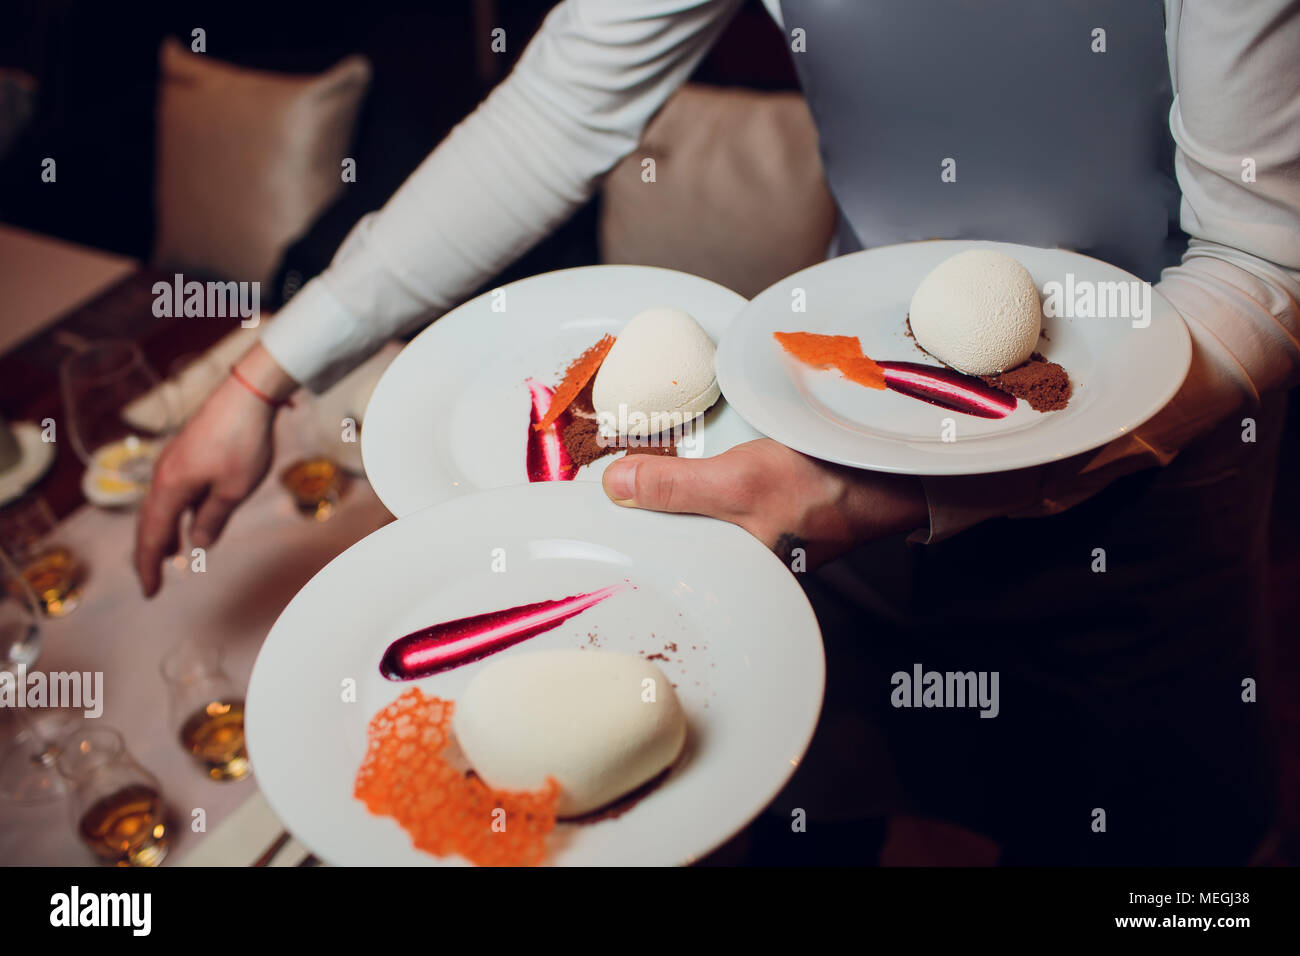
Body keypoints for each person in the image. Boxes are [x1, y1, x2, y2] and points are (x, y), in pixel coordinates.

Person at [135, 1, 1298, 863]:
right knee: (787, 814)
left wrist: (891, 495)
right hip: (829, 424)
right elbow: (558, 110)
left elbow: (1259, 257)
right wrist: (263, 373)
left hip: (1139, 498)